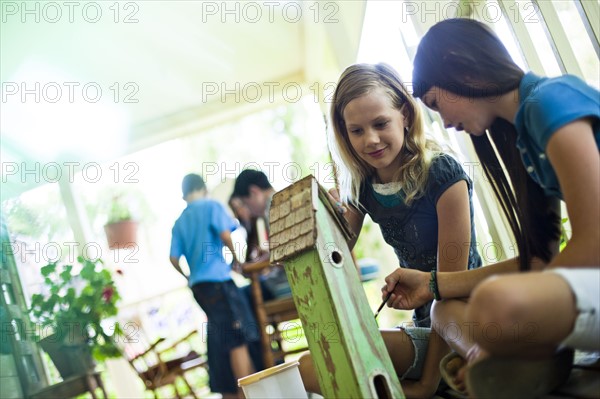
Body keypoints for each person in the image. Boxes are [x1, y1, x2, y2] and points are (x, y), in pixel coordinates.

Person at [382, 18, 599, 397]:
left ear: (458, 63)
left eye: (436, 104)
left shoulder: (548, 101)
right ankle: (511, 357)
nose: (445, 123)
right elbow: (539, 261)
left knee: (495, 303)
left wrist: (527, 302)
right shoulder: (523, 138)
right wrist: (433, 284)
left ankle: (523, 354)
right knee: (442, 312)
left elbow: (593, 241)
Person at [298, 63, 483, 398]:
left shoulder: (443, 173)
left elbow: (450, 288)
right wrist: (318, 215)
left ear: (406, 116)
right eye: (356, 131)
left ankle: (439, 382)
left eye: (380, 123)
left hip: (463, 326)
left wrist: (426, 383)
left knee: (318, 370)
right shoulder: (364, 187)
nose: (370, 139)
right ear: (343, 134)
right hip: (424, 328)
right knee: (312, 367)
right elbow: (331, 254)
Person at [169, 173, 260, 399]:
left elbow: (173, 259)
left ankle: (239, 393)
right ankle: (247, 395)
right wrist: (237, 261)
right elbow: (225, 234)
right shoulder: (211, 206)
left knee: (221, 338)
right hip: (219, 283)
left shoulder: (179, 222)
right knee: (237, 339)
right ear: (203, 188)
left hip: (200, 288)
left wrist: (189, 277)